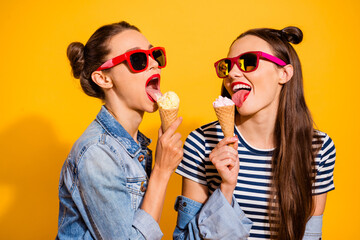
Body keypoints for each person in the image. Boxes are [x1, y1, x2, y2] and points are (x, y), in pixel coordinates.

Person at [174, 26, 335, 240]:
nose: (232, 74)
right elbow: (186, 239)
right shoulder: (202, 142)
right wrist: (226, 190)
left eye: (248, 62)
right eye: (226, 66)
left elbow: (311, 236)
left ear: (284, 73)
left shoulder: (318, 148)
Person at [56, 21, 183, 239]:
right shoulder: (97, 153)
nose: (154, 64)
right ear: (103, 78)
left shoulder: (133, 148)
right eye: (138, 59)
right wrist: (162, 172)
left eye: (155, 54)